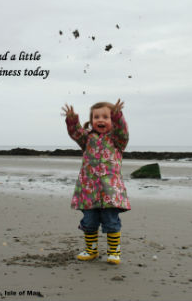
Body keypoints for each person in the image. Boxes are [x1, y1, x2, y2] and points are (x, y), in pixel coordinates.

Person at [62, 99, 131, 264]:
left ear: (112, 121)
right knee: (89, 222)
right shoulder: (87, 138)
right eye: (96, 117)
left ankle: (114, 252)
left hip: (110, 191)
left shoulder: (117, 139)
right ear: (91, 120)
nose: (101, 120)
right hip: (89, 191)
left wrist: (117, 116)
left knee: (111, 222)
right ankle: (90, 250)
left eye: (106, 117)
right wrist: (72, 120)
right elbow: (75, 132)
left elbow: (123, 131)